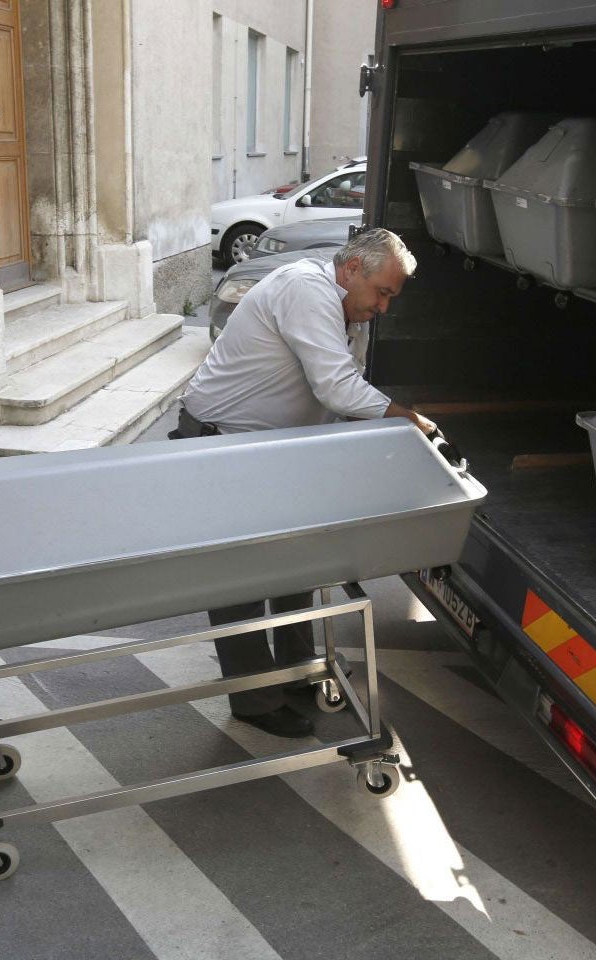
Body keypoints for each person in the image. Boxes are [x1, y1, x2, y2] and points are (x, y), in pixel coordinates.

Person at [173, 228, 436, 738]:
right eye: (382, 292)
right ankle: (255, 701)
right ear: (352, 269)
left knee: (295, 565)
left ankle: (296, 671)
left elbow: (347, 384)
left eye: (391, 298)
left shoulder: (346, 308)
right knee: (241, 579)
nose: (383, 307)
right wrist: (408, 421)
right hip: (223, 444)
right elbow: (336, 386)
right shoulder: (307, 289)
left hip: (278, 450)